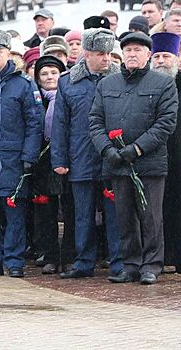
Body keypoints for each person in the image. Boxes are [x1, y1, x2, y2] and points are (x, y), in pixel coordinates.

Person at [89, 32, 178, 285]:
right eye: (127, 50)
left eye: (138, 50)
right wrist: (108, 150)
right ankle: (131, 264)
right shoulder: (107, 84)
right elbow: (95, 121)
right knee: (124, 216)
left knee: (150, 217)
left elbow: (165, 123)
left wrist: (137, 149)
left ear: (148, 55)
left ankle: (151, 265)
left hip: (148, 164)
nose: (132, 54)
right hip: (117, 162)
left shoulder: (162, 83)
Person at [51, 28, 123, 280]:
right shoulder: (68, 81)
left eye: (109, 54)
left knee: (116, 215)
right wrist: (59, 159)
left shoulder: (120, 78)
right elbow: (60, 124)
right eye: (100, 54)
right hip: (81, 156)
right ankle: (83, 262)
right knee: (83, 215)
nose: (106, 59)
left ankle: (119, 262)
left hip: (113, 157)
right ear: (87, 54)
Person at [0, 30, 43, 278]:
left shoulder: (23, 84)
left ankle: (14, 261)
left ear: (8, 53)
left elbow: (34, 123)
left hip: (13, 159)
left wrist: (29, 157)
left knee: (13, 212)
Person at [31, 55, 75, 275]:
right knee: (45, 210)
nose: (49, 77)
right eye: (44, 73)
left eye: (54, 72)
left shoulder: (68, 96)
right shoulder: (35, 99)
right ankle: (49, 256)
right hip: (43, 161)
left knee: (70, 208)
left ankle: (69, 256)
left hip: (69, 159)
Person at [150, 32, 181, 274]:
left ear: (177, 59)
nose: (161, 60)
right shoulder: (146, 84)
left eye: (166, 56)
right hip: (154, 156)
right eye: (157, 56)